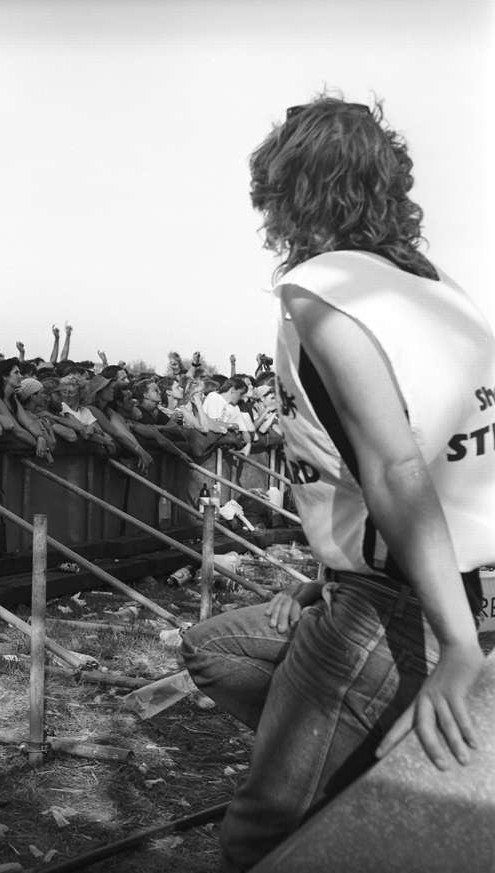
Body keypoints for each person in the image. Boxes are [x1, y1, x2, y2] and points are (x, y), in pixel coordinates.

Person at [181, 96, 495, 872]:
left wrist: (458, 645)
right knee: (215, 649)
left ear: (287, 193)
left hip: (402, 603)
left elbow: (396, 465)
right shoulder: (437, 292)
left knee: (261, 831)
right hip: (419, 581)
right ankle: (351, 764)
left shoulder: (325, 293)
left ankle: (338, 782)